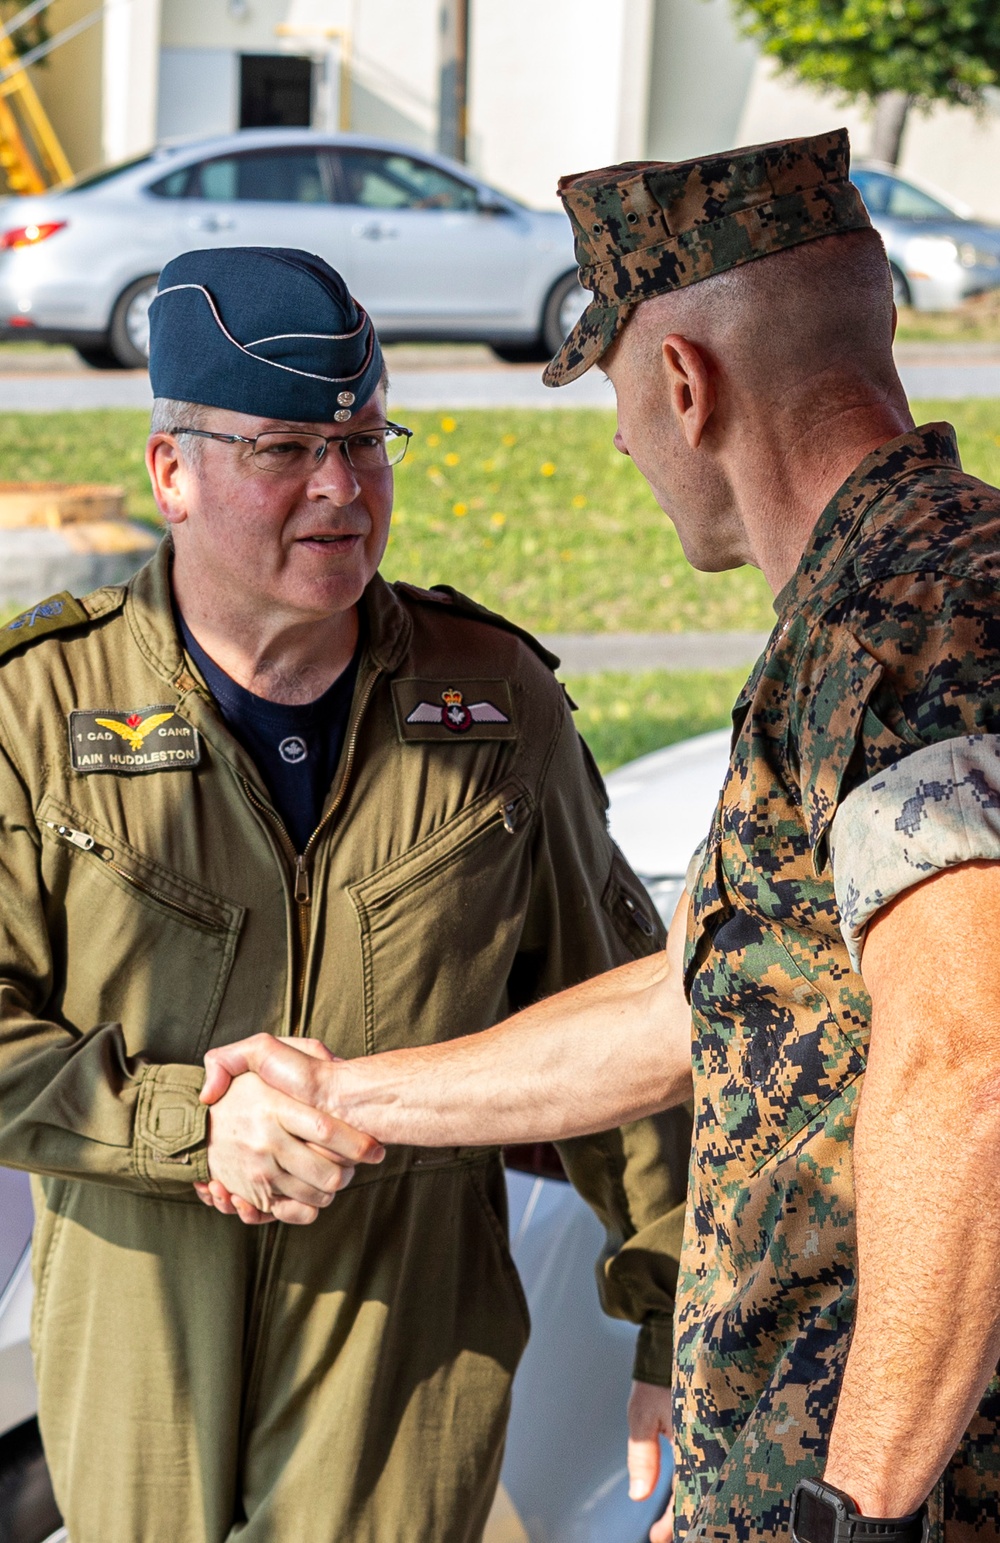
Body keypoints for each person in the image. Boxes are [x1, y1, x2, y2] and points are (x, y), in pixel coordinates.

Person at [204, 131, 1000, 1543]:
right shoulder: (872, 605)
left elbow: (970, 1061)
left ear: (684, 385)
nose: (625, 440)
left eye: (620, 395)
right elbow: (703, 990)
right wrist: (351, 1095)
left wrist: (862, 1513)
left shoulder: (914, 620)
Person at [0, 246, 690, 1543]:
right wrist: (192, 1127)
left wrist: (674, 1320)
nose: (340, 488)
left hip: (407, 1356)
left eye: (367, 441)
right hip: (142, 1354)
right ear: (172, 474)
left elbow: (622, 1019)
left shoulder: (494, 710)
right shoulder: (37, 714)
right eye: (282, 449)